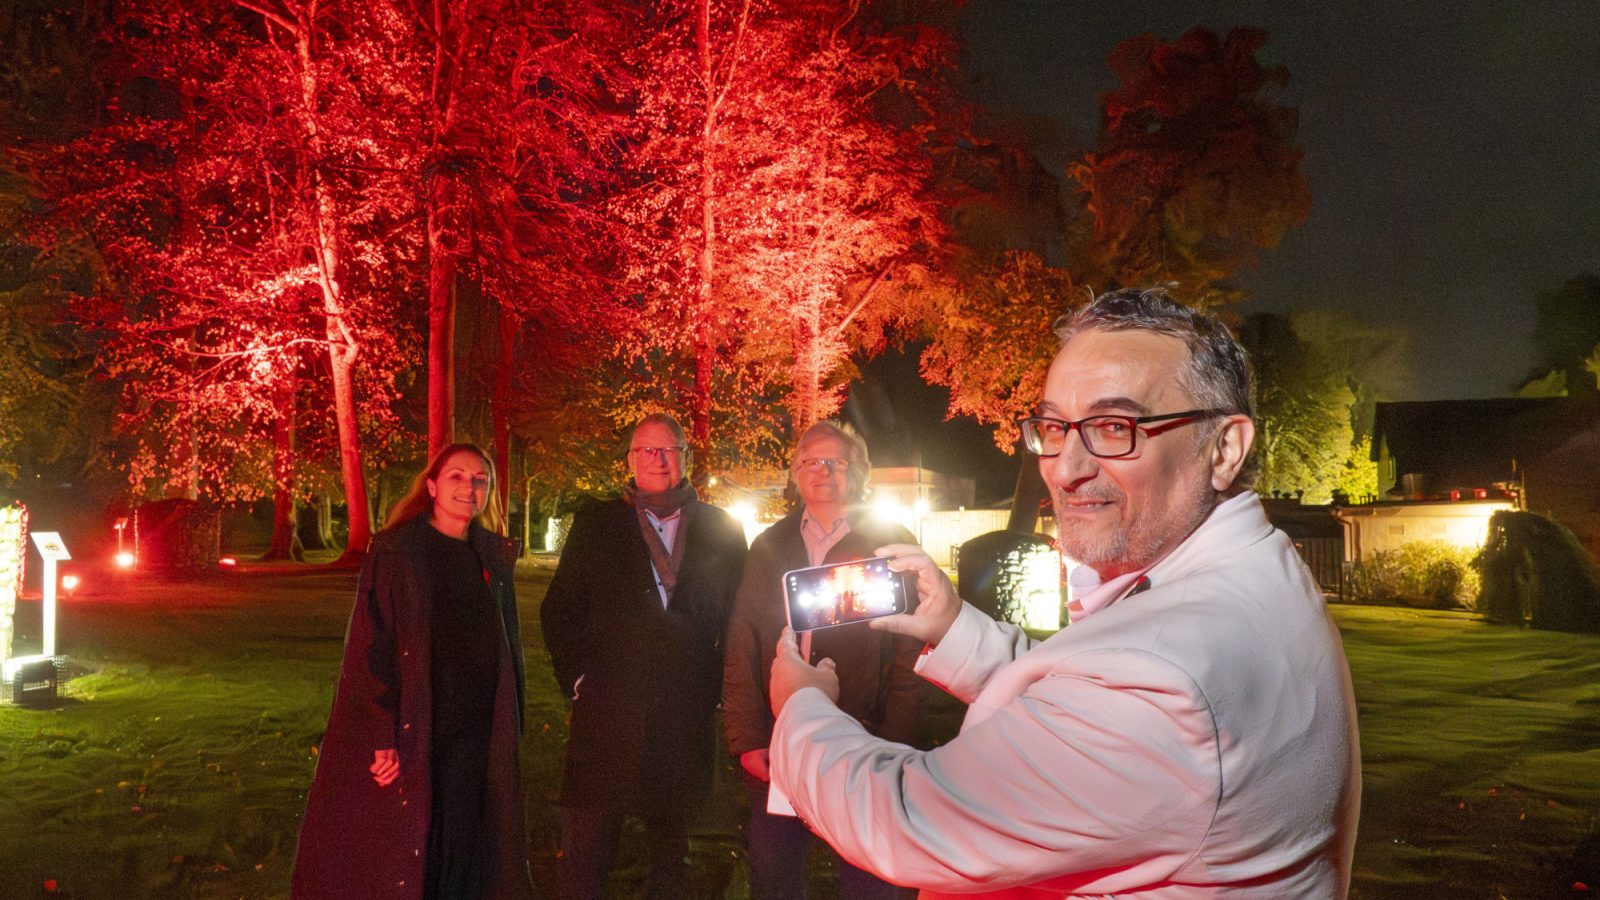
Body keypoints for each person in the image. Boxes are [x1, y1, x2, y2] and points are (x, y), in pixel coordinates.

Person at [765, 288, 1362, 898]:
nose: (1064, 468)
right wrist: (954, 628)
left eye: (1113, 426)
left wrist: (801, 709)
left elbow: (908, 821)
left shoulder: (1168, 681)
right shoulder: (1256, 573)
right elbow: (1085, 704)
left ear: (1225, 448)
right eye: (1054, 426)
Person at [292, 443, 533, 900]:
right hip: (420, 724)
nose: (469, 486)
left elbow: (506, 644)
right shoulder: (400, 552)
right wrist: (381, 731)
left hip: (477, 728)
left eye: (480, 479)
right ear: (432, 486)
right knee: (414, 844)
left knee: (466, 842)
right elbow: (372, 643)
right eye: (457, 476)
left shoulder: (489, 556)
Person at [542, 413, 749, 900]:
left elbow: (738, 618)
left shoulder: (721, 530)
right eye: (646, 450)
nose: (658, 459)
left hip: (682, 714)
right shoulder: (597, 525)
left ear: (686, 458)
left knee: (670, 858)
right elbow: (559, 610)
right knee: (588, 853)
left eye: (669, 449)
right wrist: (576, 679)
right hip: (608, 713)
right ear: (630, 460)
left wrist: (718, 686)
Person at [722, 421, 926, 900]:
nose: (824, 471)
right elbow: (743, 640)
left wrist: (894, 740)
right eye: (812, 461)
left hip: (862, 738)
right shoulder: (770, 545)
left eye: (837, 462)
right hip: (782, 739)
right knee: (775, 876)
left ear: (859, 474)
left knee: (869, 879)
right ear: (796, 473)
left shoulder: (890, 542)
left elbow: (910, 651)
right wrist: (749, 737)